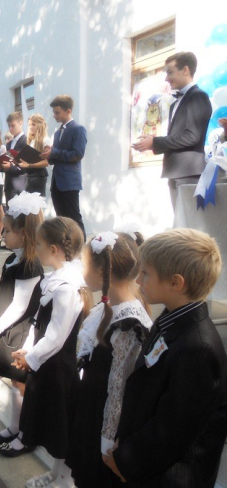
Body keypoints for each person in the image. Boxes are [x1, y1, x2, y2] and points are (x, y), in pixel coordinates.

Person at [104, 229, 227, 487]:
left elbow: (173, 429)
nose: (138, 280)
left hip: (168, 476)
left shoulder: (198, 349)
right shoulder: (172, 318)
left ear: (175, 283)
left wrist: (125, 460)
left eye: (145, 273)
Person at [66, 231, 152, 488]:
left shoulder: (129, 324)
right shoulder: (107, 308)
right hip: (91, 410)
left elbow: (118, 389)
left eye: (84, 264)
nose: (81, 271)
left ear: (103, 271)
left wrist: (106, 443)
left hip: (103, 423)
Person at [10, 217, 88, 488]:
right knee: (52, 426)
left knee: (59, 429)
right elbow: (40, 324)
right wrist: (29, 349)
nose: (37, 248)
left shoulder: (66, 286)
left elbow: (56, 335)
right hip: (46, 363)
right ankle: (56, 474)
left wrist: (31, 358)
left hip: (57, 368)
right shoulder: (56, 280)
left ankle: (64, 480)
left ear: (54, 249)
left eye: (40, 244)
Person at [0, 192, 46, 454]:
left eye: (8, 231)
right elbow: (2, 291)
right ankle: (14, 427)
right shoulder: (12, 259)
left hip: (20, 334)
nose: (4, 234)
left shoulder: (30, 265)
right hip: (7, 331)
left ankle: (25, 434)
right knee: (14, 381)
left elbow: (21, 305)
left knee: (22, 384)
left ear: (24, 233)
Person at [132, 52, 213, 210]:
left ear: (185, 70)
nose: (166, 78)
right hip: (175, 172)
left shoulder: (198, 97)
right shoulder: (176, 102)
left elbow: (192, 136)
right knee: (180, 221)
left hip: (188, 173)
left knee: (189, 222)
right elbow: (179, 136)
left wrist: (155, 142)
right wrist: (152, 143)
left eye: (170, 72)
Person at [41, 95, 88, 239]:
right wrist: (48, 155)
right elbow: (57, 157)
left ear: (68, 111)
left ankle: (81, 245)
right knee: (61, 218)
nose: (54, 116)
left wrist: (54, 152)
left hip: (69, 181)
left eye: (57, 112)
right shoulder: (57, 133)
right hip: (57, 181)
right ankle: (66, 244)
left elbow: (77, 154)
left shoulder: (78, 129)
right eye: (54, 112)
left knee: (73, 216)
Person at [18, 114, 52, 197]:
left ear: (40, 125)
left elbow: (46, 162)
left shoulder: (45, 139)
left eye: (33, 124)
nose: (30, 127)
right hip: (29, 174)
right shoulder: (31, 140)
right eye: (29, 125)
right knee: (30, 203)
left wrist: (29, 165)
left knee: (35, 202)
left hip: (38, 175)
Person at [2, 112, 28, 202]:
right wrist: (0, 165)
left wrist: (10, 167)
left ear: (20, 123)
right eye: (9, 126)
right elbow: (9, 160)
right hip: (9, 184)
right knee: (9, 210)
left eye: (13, 126)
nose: (10, 129)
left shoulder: (26, 141)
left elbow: (26, 166)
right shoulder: (9, 143)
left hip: (20, 184)